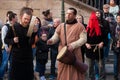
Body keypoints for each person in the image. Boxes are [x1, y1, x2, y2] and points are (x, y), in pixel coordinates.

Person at [47, 7, 87, 80]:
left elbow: (83, 39)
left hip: (75, 53)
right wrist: (51, 40)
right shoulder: (61, 26)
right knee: (62, 72)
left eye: (70, 14)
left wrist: (73, 45)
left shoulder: (80, 26)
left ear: (74, 15)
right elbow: (56, 36)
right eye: (67, 13)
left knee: (75, 73)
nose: (67, 15)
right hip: (63, 54)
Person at [4, 7, 34, 80]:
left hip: (28, 59)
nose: (27, 21)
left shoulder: (31, 28)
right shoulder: (14, 27)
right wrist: (13, 40)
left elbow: (30, 43)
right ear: (21, 17)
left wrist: (35, 33)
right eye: (25, 19)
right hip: (16, 60)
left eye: (29, 19)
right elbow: (6, 40)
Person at [85, 10, 110, 80]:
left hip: (99, 49)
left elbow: (105, 38)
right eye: (92, 19)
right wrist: (86, 44)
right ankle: (91, 78)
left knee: (101, 66)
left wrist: (102, 43)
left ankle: (102, 78)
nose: (93, 21)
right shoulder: (87, 29)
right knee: (90, 66)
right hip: (89, 49)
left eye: (94, 20)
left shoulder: (101, 28)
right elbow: (84, 39)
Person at [1, 12, 17, 80]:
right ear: (13, 18)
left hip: (13, 49)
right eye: (16, 17)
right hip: (7, 49)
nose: (17, 19)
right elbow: (3, 38)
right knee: (4, 64)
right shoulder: (5, 27)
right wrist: (7, 48)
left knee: (12, 64)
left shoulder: (15, 26)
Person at [112, 14, 120, 80]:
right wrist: (116, 40)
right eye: (117, 18)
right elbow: (112, 34)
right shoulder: (114, 25)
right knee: (115, 61)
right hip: (115, 45)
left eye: (119, 18)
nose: (118, 20)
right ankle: (115, 75)